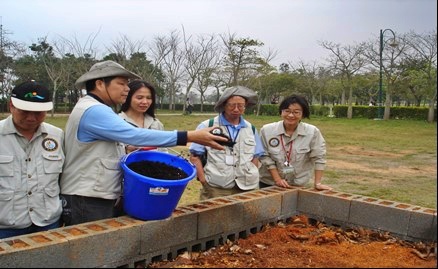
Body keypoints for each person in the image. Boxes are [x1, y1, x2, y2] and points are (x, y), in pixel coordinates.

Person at [59, 60, 227, 226]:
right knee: (92, 249)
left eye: (127, 84)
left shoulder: (96, 108)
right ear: (100, 84)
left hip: (93, 194)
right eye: (122, 84)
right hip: (86, 198)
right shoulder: (93, 110)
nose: (127, 89)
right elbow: (134, 134)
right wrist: (189, 136)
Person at [0, 81, 65, 239]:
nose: (31, 118)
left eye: (38, 112)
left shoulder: (57, 135)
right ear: (11, 106)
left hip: (48, 221)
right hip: (6, 224)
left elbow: (63, 176)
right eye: (24, 111)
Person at [189, 86, 264, 200]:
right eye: (232, 105)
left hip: (247, 187)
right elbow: (195, 156)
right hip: (216, 187)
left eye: (240, 105)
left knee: (245, 217)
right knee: (214, 217)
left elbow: (256, 156)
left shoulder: (251, 129)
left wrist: (250, 173)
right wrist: (203, 180)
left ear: (245, 106)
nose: (236, 109)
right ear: (224, 105)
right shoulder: (207, 126)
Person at [258, 95, 332, 191]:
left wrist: (317, 183)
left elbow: (319, 157)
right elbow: (264, 156)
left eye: (296, 112)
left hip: (297, 184)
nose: (291, 115)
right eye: (287, 111)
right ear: (281, 112)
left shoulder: (312, 132)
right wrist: (278, 179)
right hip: (269, 183)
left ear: (303, 114)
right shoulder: (267, 130)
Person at [119, 79, 166, 153]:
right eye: (139, 98)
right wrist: (126, 150)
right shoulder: (117, 122)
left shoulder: (156, 124)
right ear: (128, 98)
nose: (145, 102)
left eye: (149, 98)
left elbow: (163, 152)